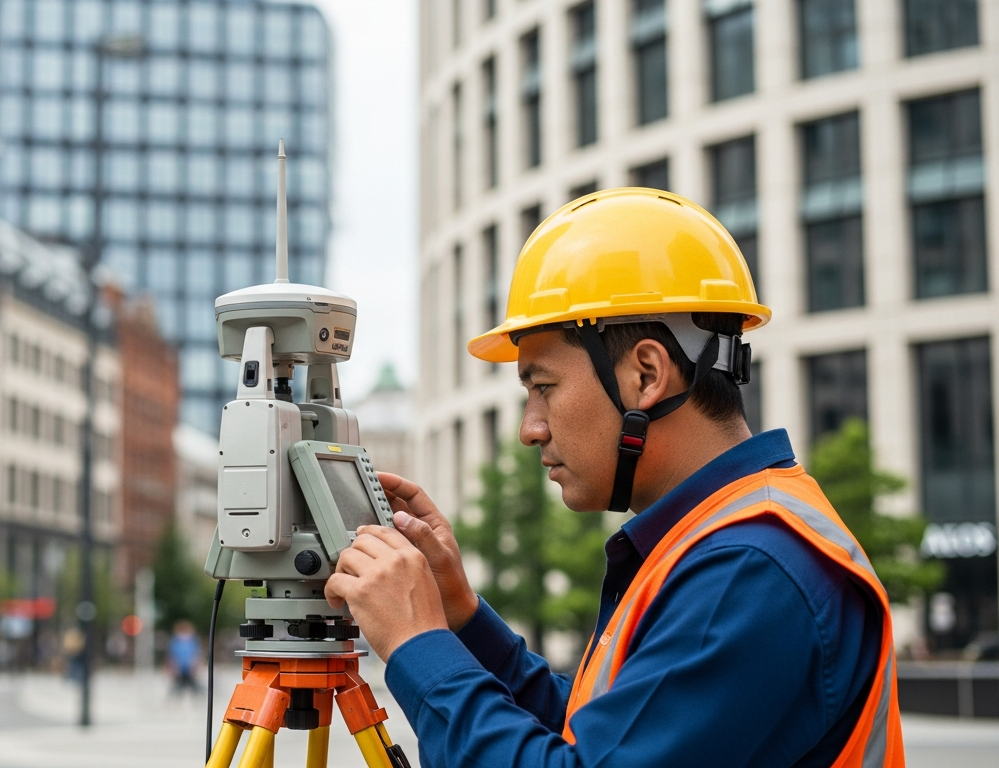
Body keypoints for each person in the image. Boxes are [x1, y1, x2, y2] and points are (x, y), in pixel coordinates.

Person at [323, 189, 903, 767]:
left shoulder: (749, 570)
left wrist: (418, 645)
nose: (529, 429)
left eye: (543, 387)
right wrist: (461, 620)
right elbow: (597, 740)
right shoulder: (720, 543)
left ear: (645, 375)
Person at [166, 620, 201, 698]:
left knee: (193, 684)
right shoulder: (175, 641)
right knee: (178, 685)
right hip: (179, 667)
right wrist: (173, 667)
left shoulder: (193, 641)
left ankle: (199, 697)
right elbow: (172, 655)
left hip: (189, 667)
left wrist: (195, 666)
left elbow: (196, 655)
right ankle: (174, 698)